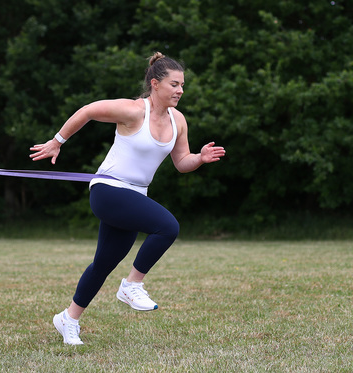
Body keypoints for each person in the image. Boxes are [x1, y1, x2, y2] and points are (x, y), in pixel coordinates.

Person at [29, 52, 225, 345]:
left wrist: (199, 158)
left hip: (134, 196)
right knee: (168, 226)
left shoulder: (178, 120)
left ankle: (68, 319)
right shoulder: (134, 111)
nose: (180, 90)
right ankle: (132, 284)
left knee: (103, 263)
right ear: (155, 84)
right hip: (108, 191)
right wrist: (57, 142)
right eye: (174, 84)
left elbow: (181, 161)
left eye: (182, 85)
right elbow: (87, 111)